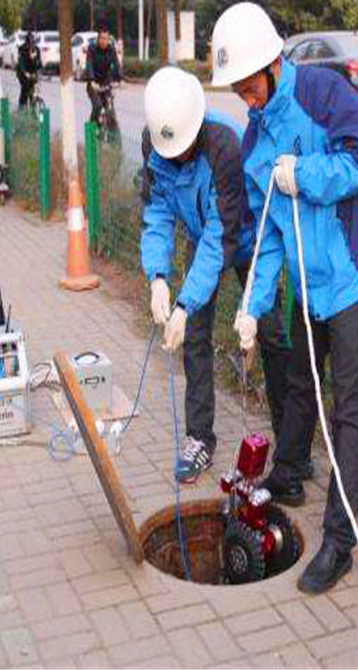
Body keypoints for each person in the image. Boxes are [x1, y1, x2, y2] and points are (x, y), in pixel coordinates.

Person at [211, 2, 358, 593]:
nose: (246, 100)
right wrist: (251, 310)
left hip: (350, 279)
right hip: (307, 289)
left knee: (348, 412)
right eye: (237, 92)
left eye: (249, 87)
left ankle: (338, 544)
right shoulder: (256, 140)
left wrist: (304, 174)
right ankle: (287, 473)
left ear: (271, 64)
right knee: (299, 388)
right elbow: (269, 238)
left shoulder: (323, 92)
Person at [140, 66, 290, 483]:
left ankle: (290, 445)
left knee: (273, 334)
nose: (178, 157)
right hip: (200, 235)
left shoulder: (224, 145)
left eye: (183, 150)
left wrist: (186, 301)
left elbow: (219, 237)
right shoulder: (156, 143)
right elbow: (156, 213)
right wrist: (157, 276)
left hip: (241, 239)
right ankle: (199, 438)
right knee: (194, 339)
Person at [84, 23, 121, 124]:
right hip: (94, 84)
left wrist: (119, 79)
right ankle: (92, 129)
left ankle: (113, 136)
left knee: (110, 110)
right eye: (102, 38)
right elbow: (89, 65)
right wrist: (91, 80)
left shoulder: (111, 49)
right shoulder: (92, 49)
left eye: (107, 38)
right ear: (98, 39)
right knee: (98, 106)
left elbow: (116, 64)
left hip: (106, 83)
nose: (104, 41)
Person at [16, 31, 41, 108]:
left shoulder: (36, 49)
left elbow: (39, 62)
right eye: (30, 42)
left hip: (33, 72)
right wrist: (25, 73)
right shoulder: (22, 49)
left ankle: (33, 107)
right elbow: (21, 63)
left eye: (33, 42)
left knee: (33, 90)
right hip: (23, 73)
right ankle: (21, 108)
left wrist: (39, 70)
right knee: (25, 90)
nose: (31, 45)